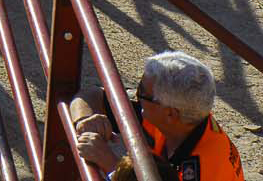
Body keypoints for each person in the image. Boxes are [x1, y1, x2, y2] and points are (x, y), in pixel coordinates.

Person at [69, 50, 248, 181]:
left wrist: (112, 166)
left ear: (170, 113)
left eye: (142, 92)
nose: (136, 95)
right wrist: (86, 120)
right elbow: (91, 95)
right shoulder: (178, 119)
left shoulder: (203, 170)